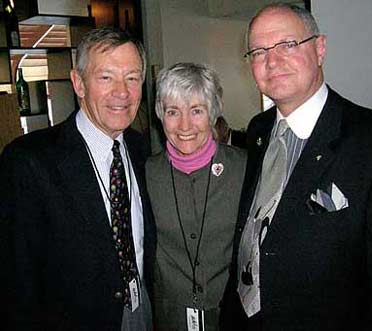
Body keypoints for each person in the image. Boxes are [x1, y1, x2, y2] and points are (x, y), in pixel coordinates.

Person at [220, 3, 372, 331]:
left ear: (319, 48)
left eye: (288, 45)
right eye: (258, 52)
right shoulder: (258, 130)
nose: (272, 61)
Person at [0, 27, 155, 331]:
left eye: (132, 78)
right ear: (78, 83)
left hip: (142, 311)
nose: (122, 92)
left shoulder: (141, 148)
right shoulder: (29, 161)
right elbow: (15, 280)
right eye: (106, 77)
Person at [145, 62, 246, 330]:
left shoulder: (245, 168)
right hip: (169, 316)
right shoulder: (145, 173)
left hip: (232, 313)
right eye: (173, 111)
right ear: (160, 115)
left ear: (213, 113)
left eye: (196, 110)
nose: (184, 125)